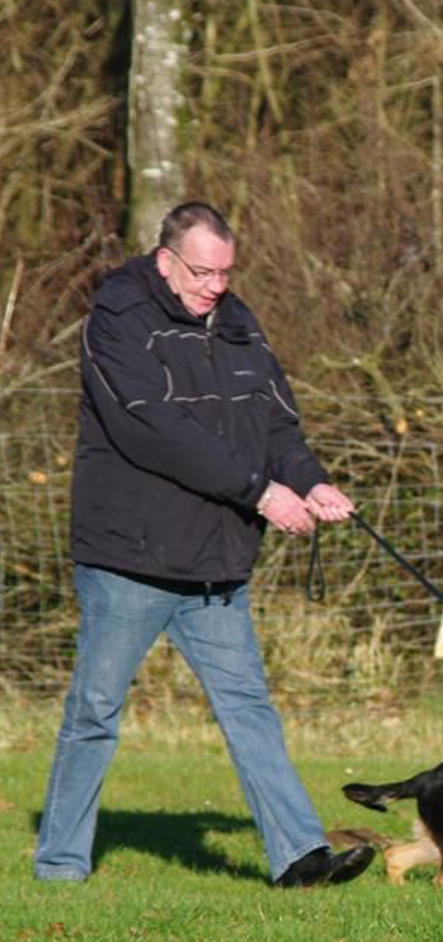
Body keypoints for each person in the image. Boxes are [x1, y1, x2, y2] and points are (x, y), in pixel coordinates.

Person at [33, 201, 374, 889]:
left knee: (249, 708)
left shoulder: (237, 323)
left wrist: (310, 482)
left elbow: (277, 424)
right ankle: (62, 863)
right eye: (202, 271)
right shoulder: (119, 319)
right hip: (129, 557)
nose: (216, 284)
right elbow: (152, 433)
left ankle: (300, 859)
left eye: (225, 271)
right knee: (95, 711)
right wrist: (260, 493)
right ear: (166, 260)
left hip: (215, 561)